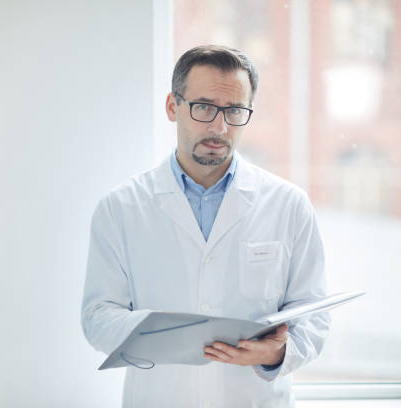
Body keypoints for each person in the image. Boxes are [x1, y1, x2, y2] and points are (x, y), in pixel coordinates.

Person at [81, 45, 330, 407]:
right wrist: (155, 329)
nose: (219, 126)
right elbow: (97, 317)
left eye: (234, 111)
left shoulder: (288, 204)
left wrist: (274, 353)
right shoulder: (121, 207)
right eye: (204, 107)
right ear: (173, 107)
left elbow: (314, 316)